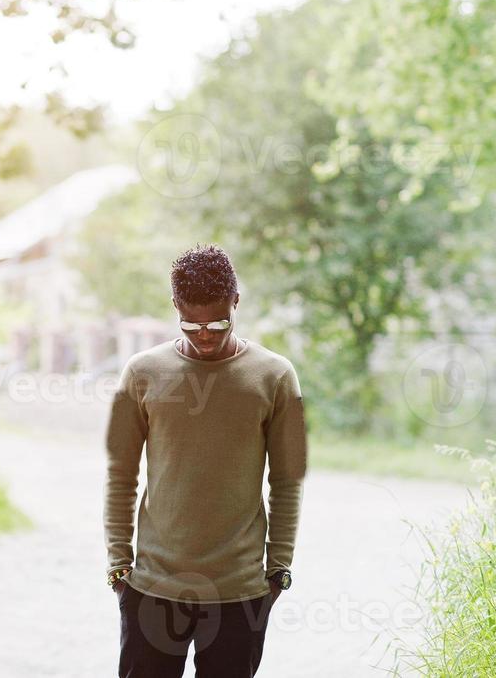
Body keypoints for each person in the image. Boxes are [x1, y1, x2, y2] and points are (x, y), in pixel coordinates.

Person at [103, 243, 308, 677]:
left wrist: (278, 570)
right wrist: (119, 566)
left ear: (236, 302)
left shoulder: (274, 377)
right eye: (191, 324)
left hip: (240, 593)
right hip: (153, 589)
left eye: (218, 321)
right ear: (175, 307)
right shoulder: (142, 373)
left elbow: (288, 479)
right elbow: (121, 475)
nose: (206, 335)